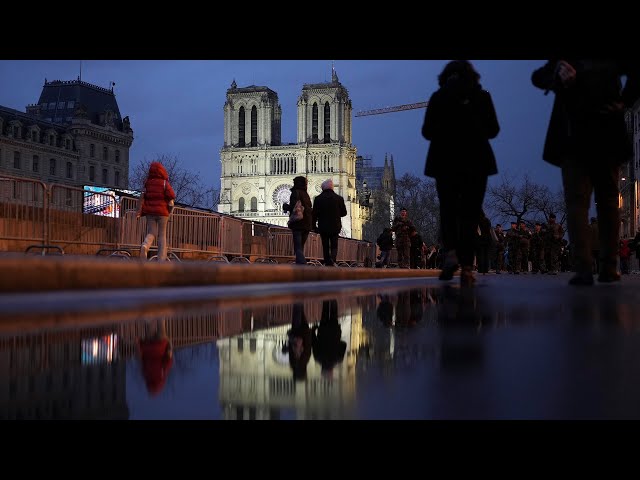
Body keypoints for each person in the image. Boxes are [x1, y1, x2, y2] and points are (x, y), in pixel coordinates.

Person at [532, 60, 640, 285]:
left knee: (602, 201)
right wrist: (557, 77)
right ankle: (586, 266)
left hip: (601, 132)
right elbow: (539, 76)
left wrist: (625, 101)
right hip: (576, 136)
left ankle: (602, 266)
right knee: (582, 202)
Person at [422, 60, 500, 286]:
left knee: (448, 211)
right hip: (476, 162)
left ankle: (451, 255)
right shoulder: (482, 96)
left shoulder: (438, 97)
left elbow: (427, 132)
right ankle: (467, 266)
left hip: (445, 162)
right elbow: (493, 130)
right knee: (470, 213)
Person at [136, 161, 176, 262]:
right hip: (163, 213)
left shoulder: (147, 183)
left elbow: (143, 197)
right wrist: (169, 210)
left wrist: (139, 211)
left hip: (150, 212)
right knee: (162, 235)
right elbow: (171, 197)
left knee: (151, 232)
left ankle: (145, 246)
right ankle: (161, 259)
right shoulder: (164, 183)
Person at [312, 178, 347, 267]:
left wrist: (313, 226)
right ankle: (333, 259)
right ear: (332, 188)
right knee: (334, 243)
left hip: (323, 226)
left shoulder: (318, 199)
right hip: (335, 225)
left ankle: (327, 260)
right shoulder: (339, 198)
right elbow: (344, 213)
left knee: (325, 244)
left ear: (323, 188)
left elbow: (314, 214)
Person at [311, 299, 347, 378]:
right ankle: (326, 297)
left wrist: (336, 342)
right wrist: (313, 330)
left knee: (334, 313)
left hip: (334, 331)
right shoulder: (318, 358)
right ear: (322, 370)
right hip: (323, 331)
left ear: (331, 371)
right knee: (325, 311)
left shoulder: (338, 359)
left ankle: (333, 298)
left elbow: (344, 344)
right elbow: (314, 342)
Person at [138, 317, 173, 396]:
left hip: (160, 345)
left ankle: (161, 318)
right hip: (147, 346)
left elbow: (169, 360)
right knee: (149, 331)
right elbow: (141, 358)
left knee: (162, 331)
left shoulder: (162, 374)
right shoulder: (146, 374)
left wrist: (169, 345)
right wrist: (140, 343)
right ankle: (149, 319)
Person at [283, 175, 313, 265]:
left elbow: (294, 207)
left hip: (298, 223)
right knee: (301, 246)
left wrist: (286, 206)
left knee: (298, 246)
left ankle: (302, 263)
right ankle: (299, 263)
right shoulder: (306, 194)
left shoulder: (295, 193)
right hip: (307, 223)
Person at [282, 302, 312, 381]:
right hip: (298, 332)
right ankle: (298, 295)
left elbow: (306, 346)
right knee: (298, 310)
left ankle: (299, 295)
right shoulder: (296, 363)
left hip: (303, 332)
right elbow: (296, 346)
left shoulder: (304, 361)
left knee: (299, 310)